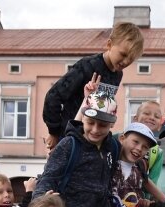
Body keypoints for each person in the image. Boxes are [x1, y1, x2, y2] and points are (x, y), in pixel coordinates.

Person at [42, 22, 144, 151]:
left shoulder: (118, 74)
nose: (125, 62)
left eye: (131, 59)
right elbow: (53, 97)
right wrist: (54, 132)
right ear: (109, 44)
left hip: (93, 140)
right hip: (69, 137)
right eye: (123, 54)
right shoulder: (87, 66)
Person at [133, 100, 165, 186]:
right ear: (135, 119)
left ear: (159, 126)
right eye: (147, 113)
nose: (152, 118)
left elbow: (152, 181)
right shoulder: (119, 138)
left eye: (157, 116)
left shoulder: (158, 152)